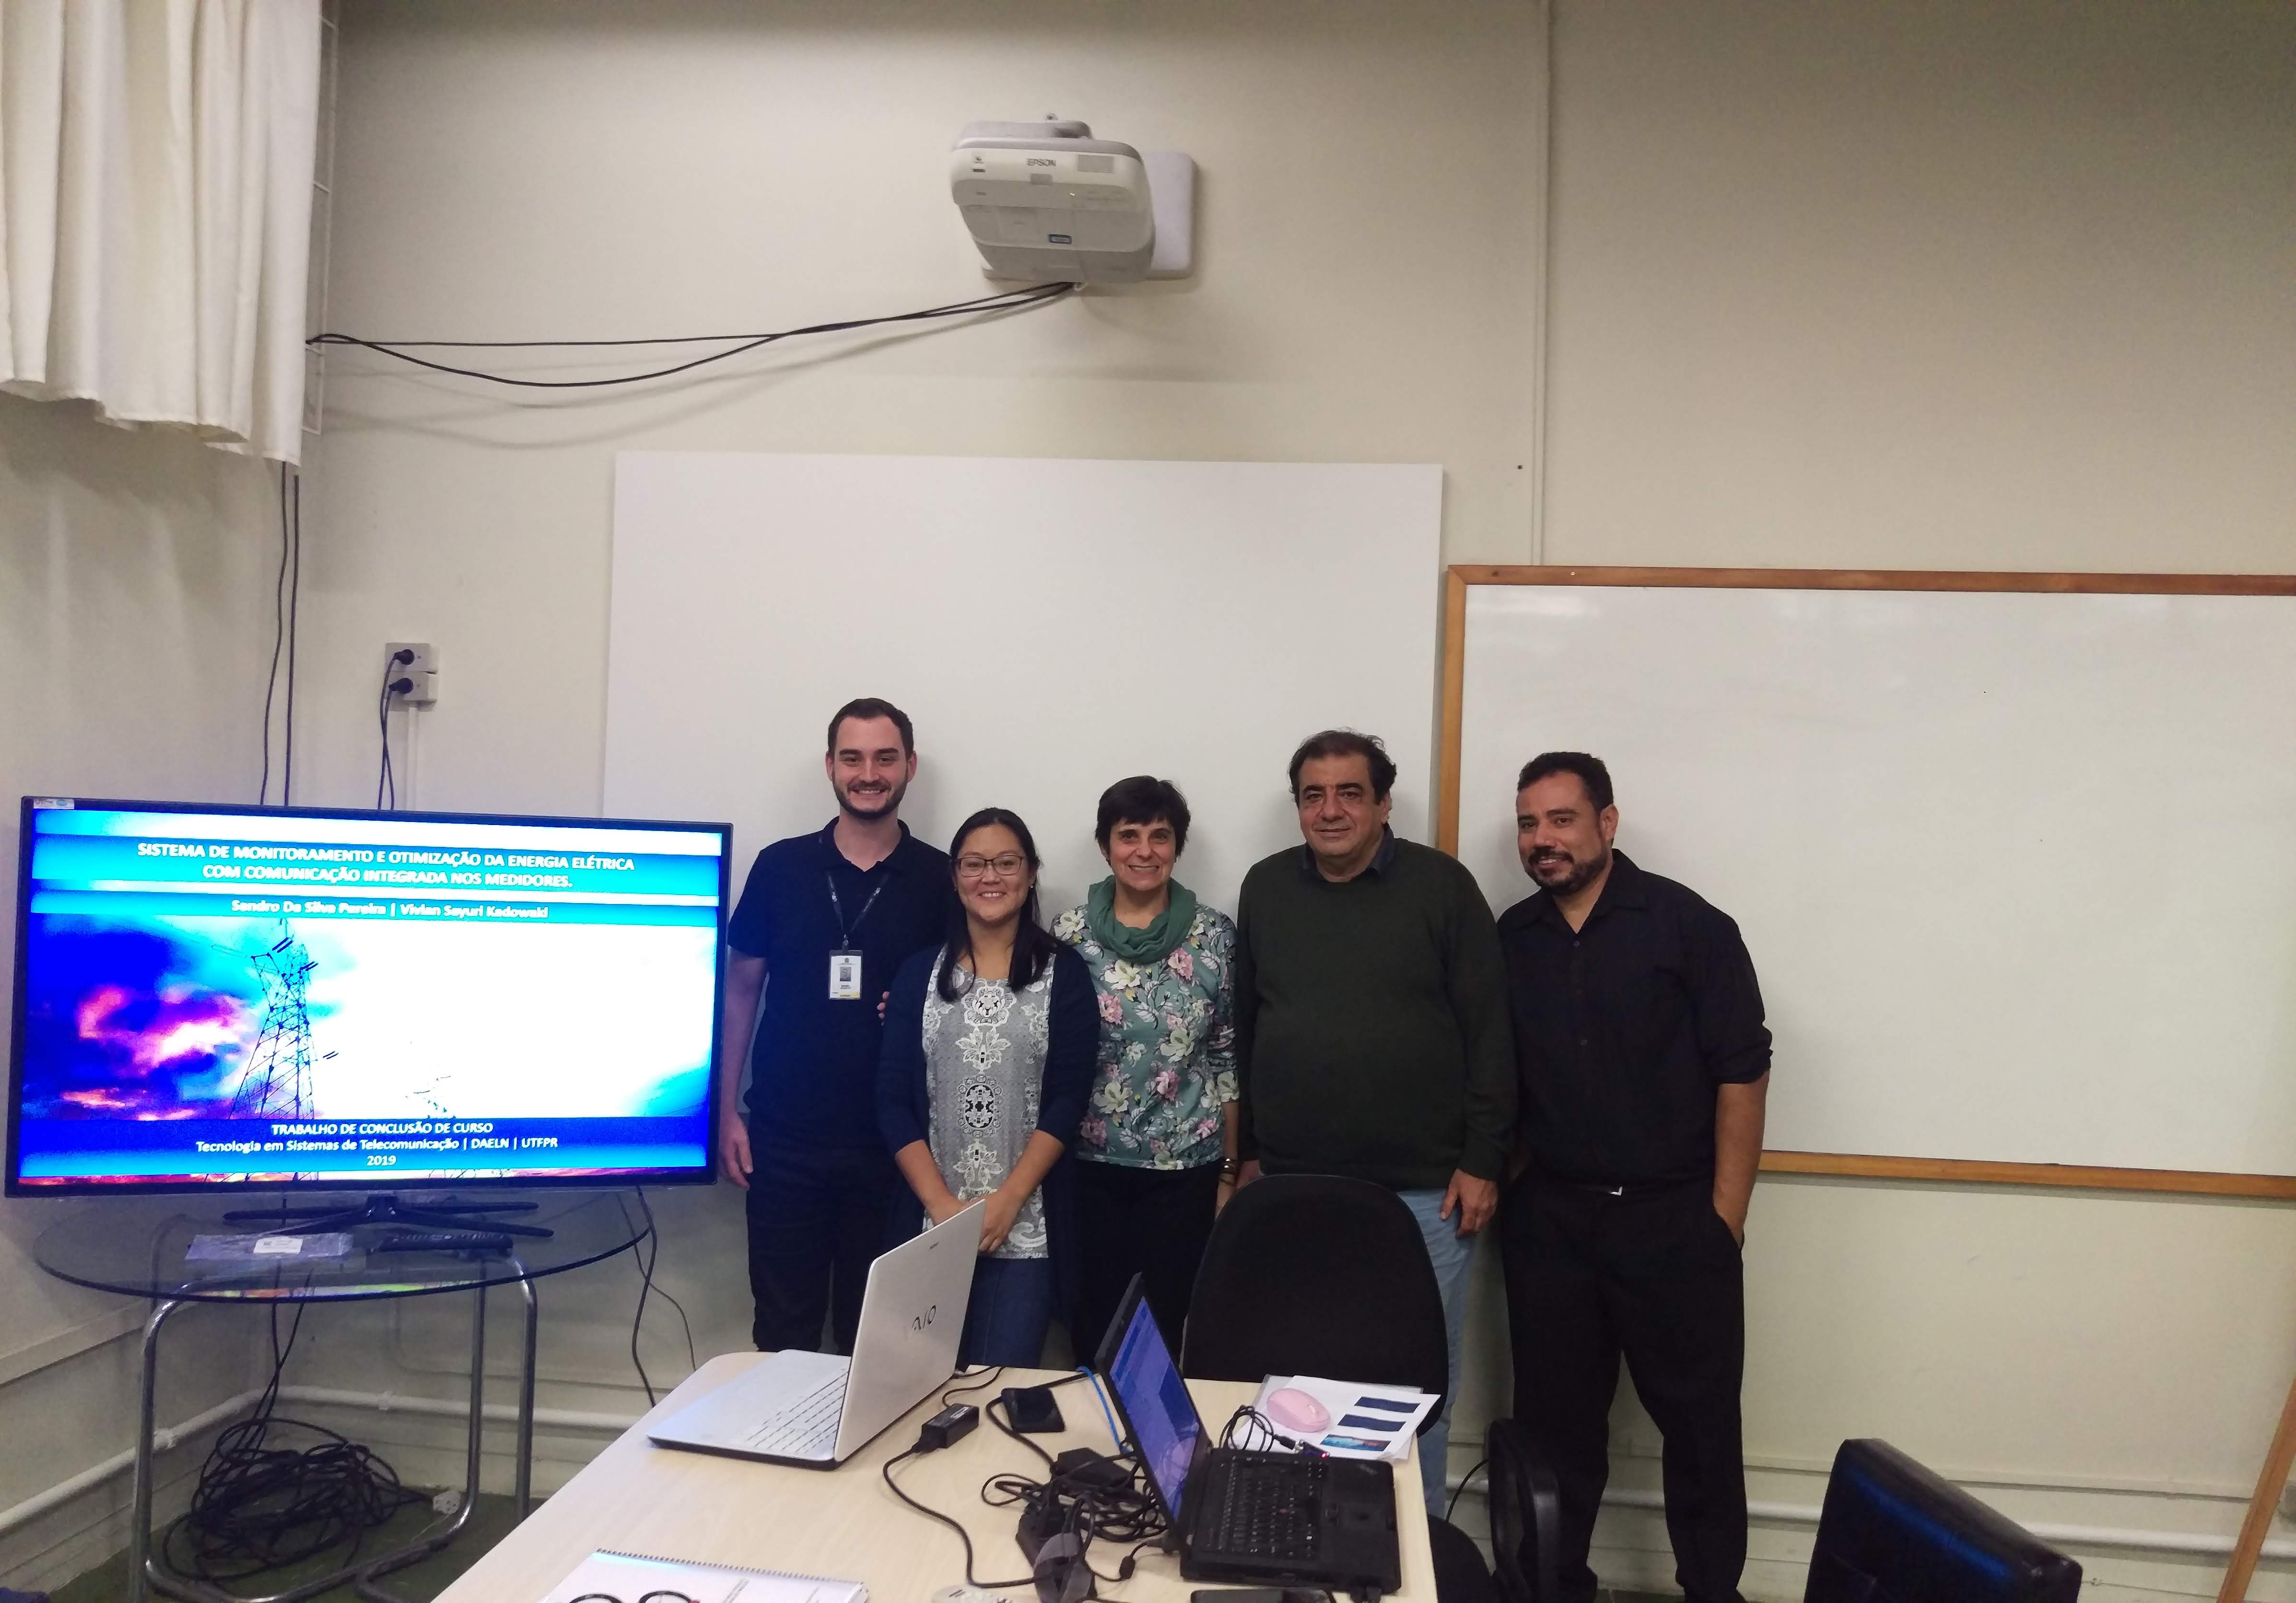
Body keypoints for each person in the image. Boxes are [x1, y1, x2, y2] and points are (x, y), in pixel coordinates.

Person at [1497, 751, 1770, 1603]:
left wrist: (1724, 1219)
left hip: (1673, 1221)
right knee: (1556, 1431)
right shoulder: (1511, 938)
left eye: (1562, 819)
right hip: (1553, 1224)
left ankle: (1711, 1592)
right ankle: (1555, 1587)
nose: (1543, 839)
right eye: (1528, 824)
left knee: (1699, 1432)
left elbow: (1742, 1070)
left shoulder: (1691, 927)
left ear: (1607, 824)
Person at [1231, 729, 1516, 1508]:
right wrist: (1248, 1152)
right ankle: (1307, 1533)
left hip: (1425, 1192)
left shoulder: (1442, 887)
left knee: (1414, 1385)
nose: (1330, 810)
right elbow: (1248, 1026)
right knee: (1302, 1380)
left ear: (1383, 803)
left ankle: (1413, 1547)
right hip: (1293, 1185)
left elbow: (1491, 1030)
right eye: (1313, 795)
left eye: (1349, 793)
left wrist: (1484, 1158)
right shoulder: (1265, 887)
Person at [717, 697, 956, 1355]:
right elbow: (740, 991)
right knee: (782, 1335)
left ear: (909, 766)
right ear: (830, 766)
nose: (868, 774)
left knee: (875, 1342)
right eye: (853, 758)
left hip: (894, 1150)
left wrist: (921, 1009)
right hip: (782, 1142)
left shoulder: (941, 878)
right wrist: (725, 1110)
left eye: (885, 758)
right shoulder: (780, 867)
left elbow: (971, 1001)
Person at [877, 808, 1096, 1367]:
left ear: (1031, 874)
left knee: (999, 1386)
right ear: (955, 877)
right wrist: (941, 1207)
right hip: (930, 1224)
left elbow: (1068, 1099)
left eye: (1006, 863)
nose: (990, 877)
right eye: (974, 864)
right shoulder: (918, 974)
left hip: (1024, 1228)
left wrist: (1008, 1201)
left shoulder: (1064, 974)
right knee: (920, 1390)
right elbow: (892, 1100)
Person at [1051, 776, 1239, 1359]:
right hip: (1088, 1167)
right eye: (1128, 835)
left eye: (1160, 836)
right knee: (1091, 1328)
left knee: (1162, 1330)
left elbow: (1225, 1056)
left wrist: (1229, 1172)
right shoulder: (1068, 936)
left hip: (1185, 1171)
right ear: (1105, 846)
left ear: (1178, 846)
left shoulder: (1215, 936)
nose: (1144, 851)